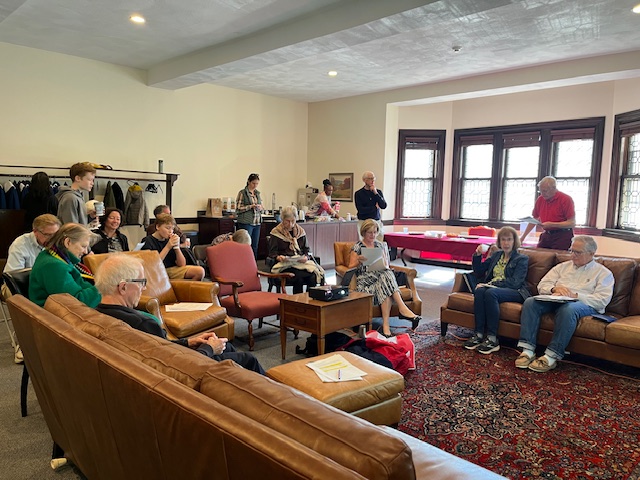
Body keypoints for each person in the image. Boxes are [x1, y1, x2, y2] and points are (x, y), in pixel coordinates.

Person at [94, 254, 265, 375]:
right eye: (141, 282)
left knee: (226, 346)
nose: (144, 288)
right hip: (186, 372)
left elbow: (163, 349)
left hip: (164, 361)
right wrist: (209, 349)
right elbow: (176, 367)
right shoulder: (142, 323)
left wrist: (189, 342)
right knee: (248, 359)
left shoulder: (97, 313)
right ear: (123, 287)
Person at [515, 235, 614, 373]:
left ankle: (551, 356)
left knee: (568, 309)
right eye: (571, 250)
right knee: (531, 302)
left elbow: (602, 300)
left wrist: (576, 296)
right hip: (556, 299)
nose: (573, 255)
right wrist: (553, 289)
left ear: (591, 253)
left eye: (577, 252)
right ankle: (528, 350)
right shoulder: (562, 267)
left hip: (582, 304)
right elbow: (543, 284)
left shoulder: (603, 273)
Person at [347, 219, 421, 337]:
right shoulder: (357, 246)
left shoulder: (380, 245)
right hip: (365, 283)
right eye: (370, 232)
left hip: (380, 279)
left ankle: (386, 325)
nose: (373, 235)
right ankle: (402, 308)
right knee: (386, 275)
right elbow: (350, 266)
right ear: (364, 232)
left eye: (375, 232)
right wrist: (359, 260)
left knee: (385, 276)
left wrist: (381, 261)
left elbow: (386, 265)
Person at [463, 227, 530, 354]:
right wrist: (477, 255)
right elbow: (479, 272)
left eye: (509, 240)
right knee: (480, 291)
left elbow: (515, 283)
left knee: (490, 292)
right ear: (499, 242)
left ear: (514, 241)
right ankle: (478, 334)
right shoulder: (496, 255)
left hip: (516, 291)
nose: (506, 243)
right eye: (503, 240)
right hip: (493, 288)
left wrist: (492, 285)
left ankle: (492, 338)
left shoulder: (521, 259)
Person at [29, 223, 101, 308]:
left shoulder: (53, 256)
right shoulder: (53, 266)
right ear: (67, 242)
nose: (85, 252)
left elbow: (82, 284)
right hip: (57, 317)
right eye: (83, 246)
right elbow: (76, 302)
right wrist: (104, 288)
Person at [268, 206, 324, 293]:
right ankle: (298, 303)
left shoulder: (300, 232)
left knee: (313, 276)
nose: (290, 224)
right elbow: (272, 253)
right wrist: (279, 257)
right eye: (287, 221)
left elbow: (307, 250)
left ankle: (310, 301)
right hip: (285, 265)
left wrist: (306, 257)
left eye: (293, 221)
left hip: (300, 263)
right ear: (282, 219)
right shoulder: (276, 232)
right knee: (298, 278)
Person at [141, 213, 204, 280]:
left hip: (171, 270)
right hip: (156, 271)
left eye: (172, 229)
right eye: (167, 228)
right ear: (158, 227)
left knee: (200, 271)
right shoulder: (147, 241)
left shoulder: (169, 240)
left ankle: (187, 290)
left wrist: (177, 247)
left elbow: (182, 264)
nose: (170, 231)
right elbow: (154, 264)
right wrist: (168, 246)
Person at [520, 176, 576, 250]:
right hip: (546, 235)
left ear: (554, 188)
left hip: (562, 236)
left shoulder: (565, 199)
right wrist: (523, 237)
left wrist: (552, 224)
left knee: (558, 258)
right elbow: (535, 219)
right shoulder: (540, 199)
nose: (542, 194)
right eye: (540, 191)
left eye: (545, 191)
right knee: (539, 255)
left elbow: (572, 223)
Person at [55, 162, 98, 227]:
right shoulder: (70, 198)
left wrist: (90, 217)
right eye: (90, 180)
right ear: (78, 178)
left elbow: (79, 222)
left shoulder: (78, 196)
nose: (92, 183)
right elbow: (71, 227)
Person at [235, 173, 264, 258]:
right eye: (253, 183)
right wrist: (251, 206)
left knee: (255, 246)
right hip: (246, 222)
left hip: (257, 222)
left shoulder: (257, 193)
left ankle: (253, 264)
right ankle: (243, 263)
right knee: (245, 245)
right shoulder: (242, 193)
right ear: (248, 182)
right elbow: (238, 208)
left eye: (257, 183)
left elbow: (261, 205)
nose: (255, 185)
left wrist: (260, 207)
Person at [354, 171, 386, 241]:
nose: (372, 180)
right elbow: (361, 210)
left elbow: (383, 206)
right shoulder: (359, 193)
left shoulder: (378, 192)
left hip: (376, 221)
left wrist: (375, 193)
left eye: (374, 178)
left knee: (379, 242)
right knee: (364, 243)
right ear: (364, 180)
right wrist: (374, 207)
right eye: (370, 178)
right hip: (364, 221)